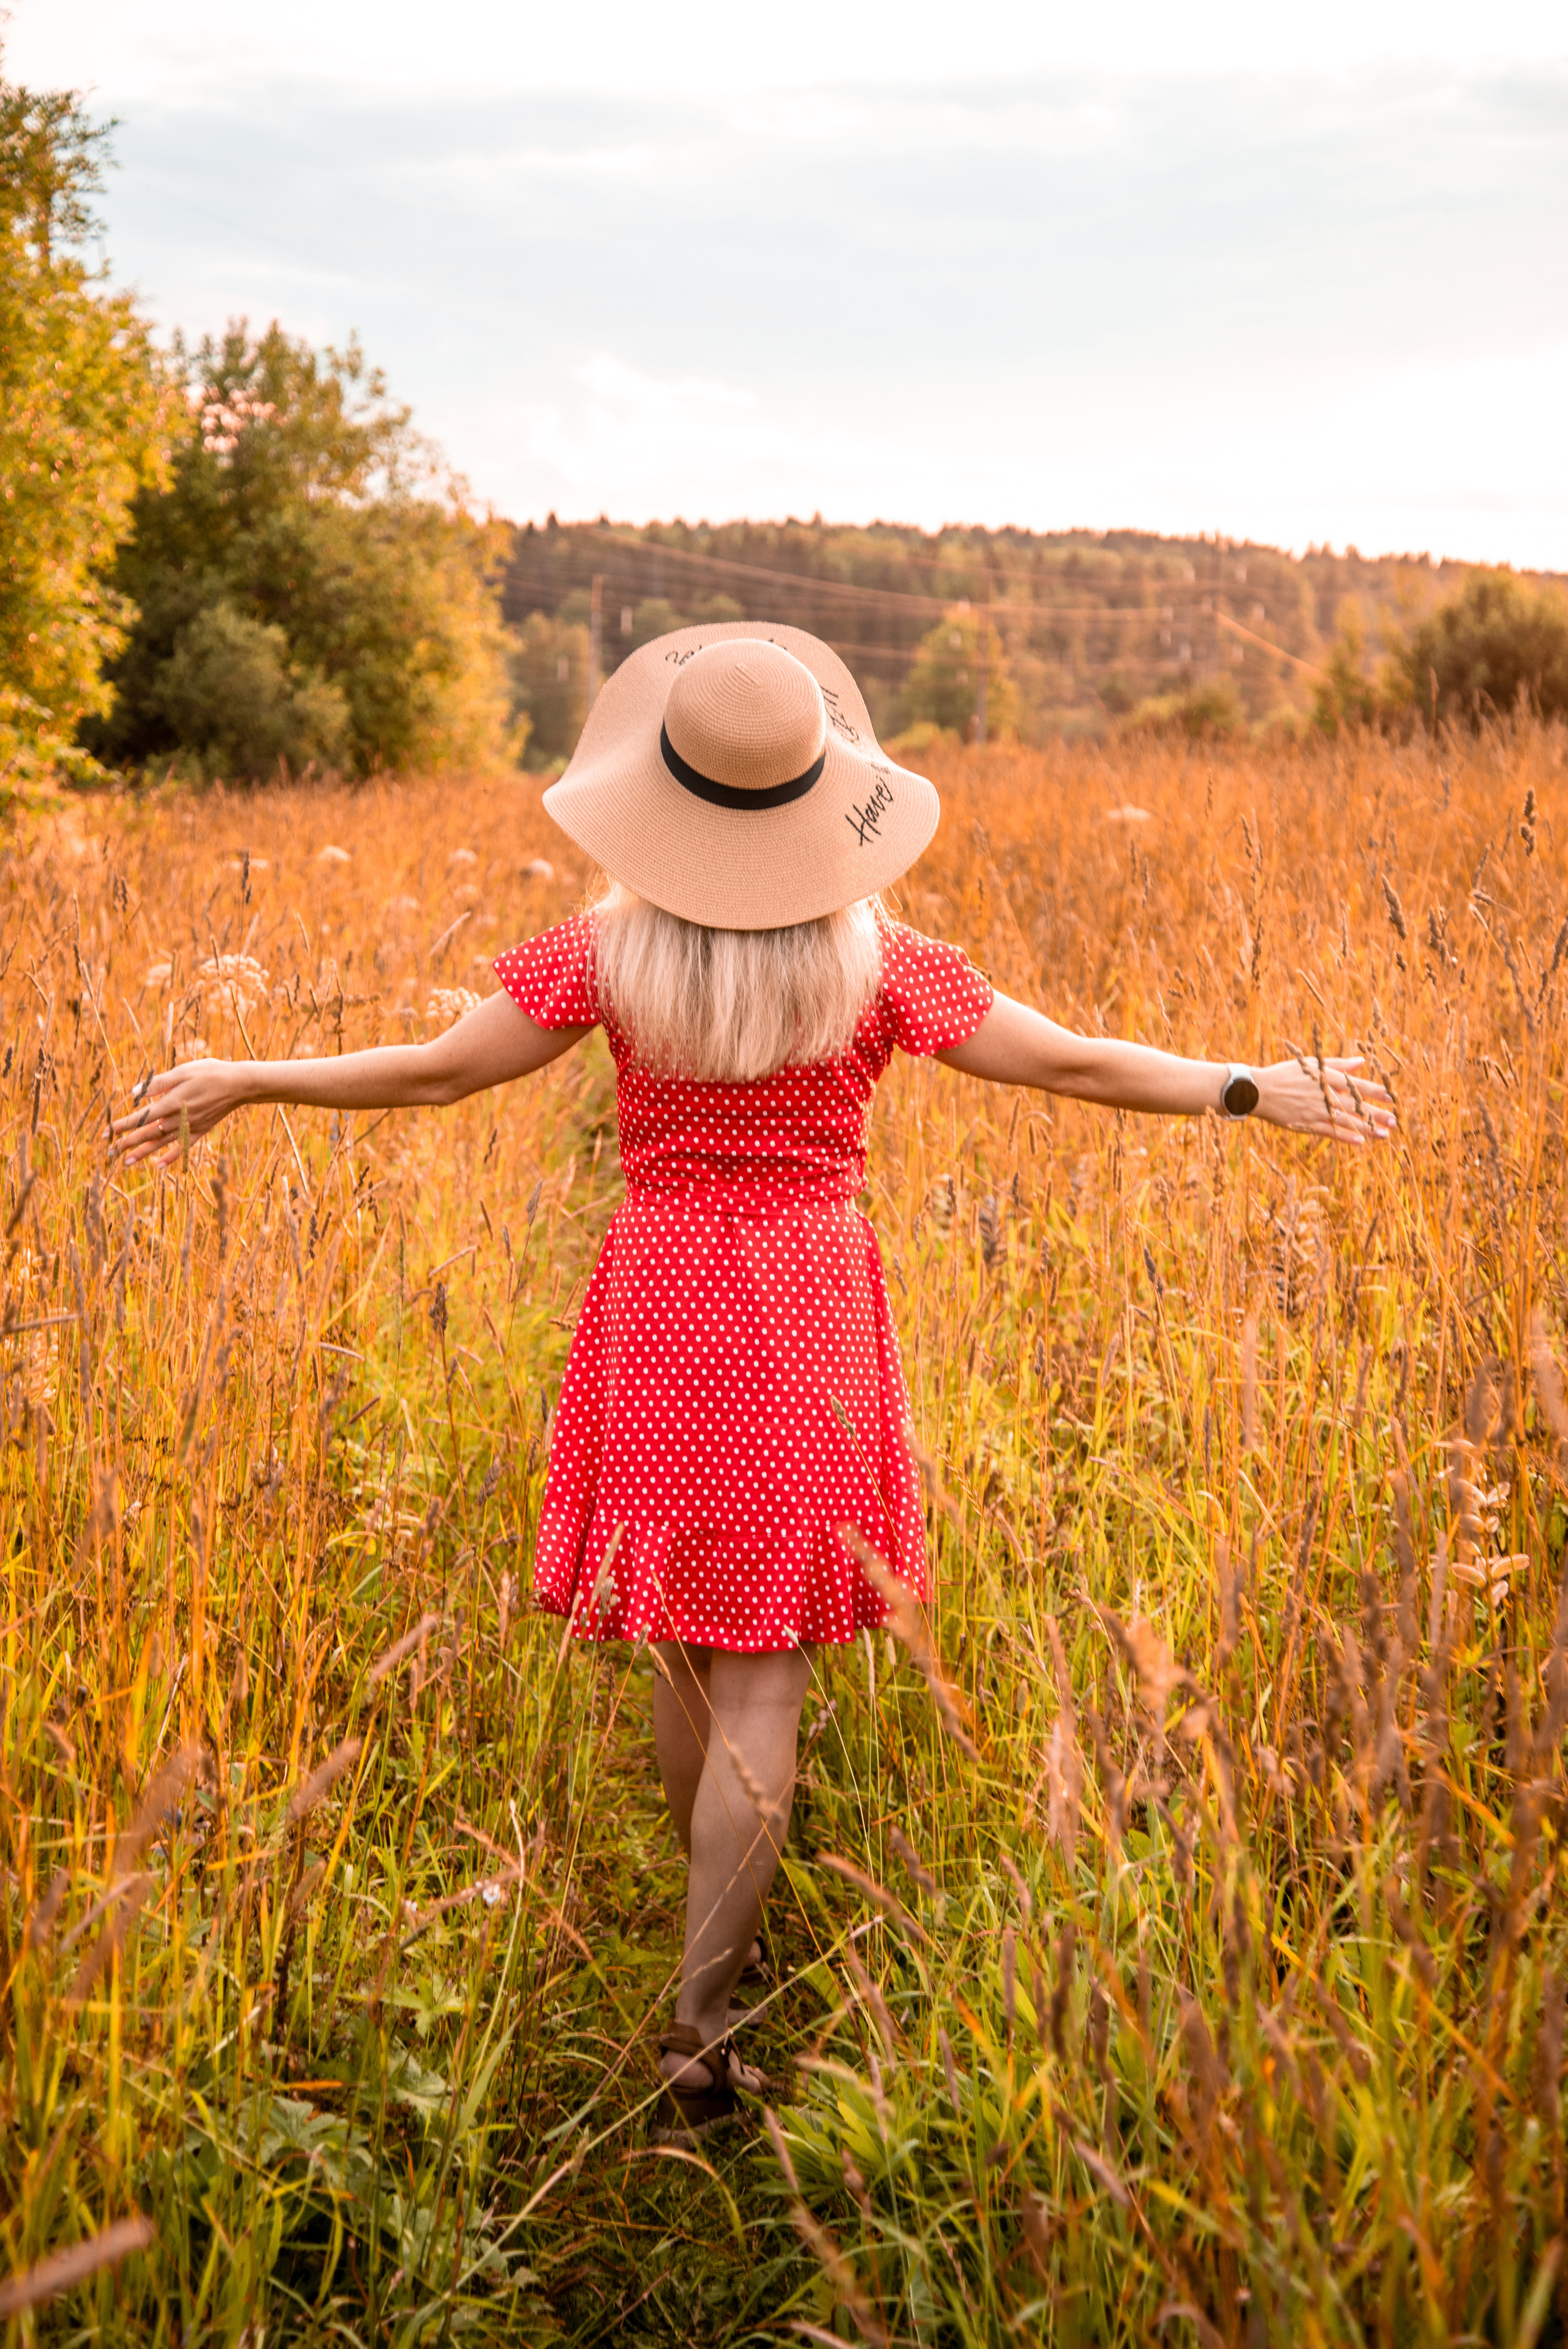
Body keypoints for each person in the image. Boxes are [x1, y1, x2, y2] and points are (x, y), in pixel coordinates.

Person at [113, 624, 1394, 2143]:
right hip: (803, 1311)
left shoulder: (602, 952)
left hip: (658, 1302)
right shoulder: (882, 964)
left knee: (680, 1648)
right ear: (817, 793)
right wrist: (1244, 1085)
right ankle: (700, 2022)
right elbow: (1073, 1064)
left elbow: (436, 1071)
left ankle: (710, 1946)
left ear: (655, 793)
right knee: (763, 1675)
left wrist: (254, 1077)